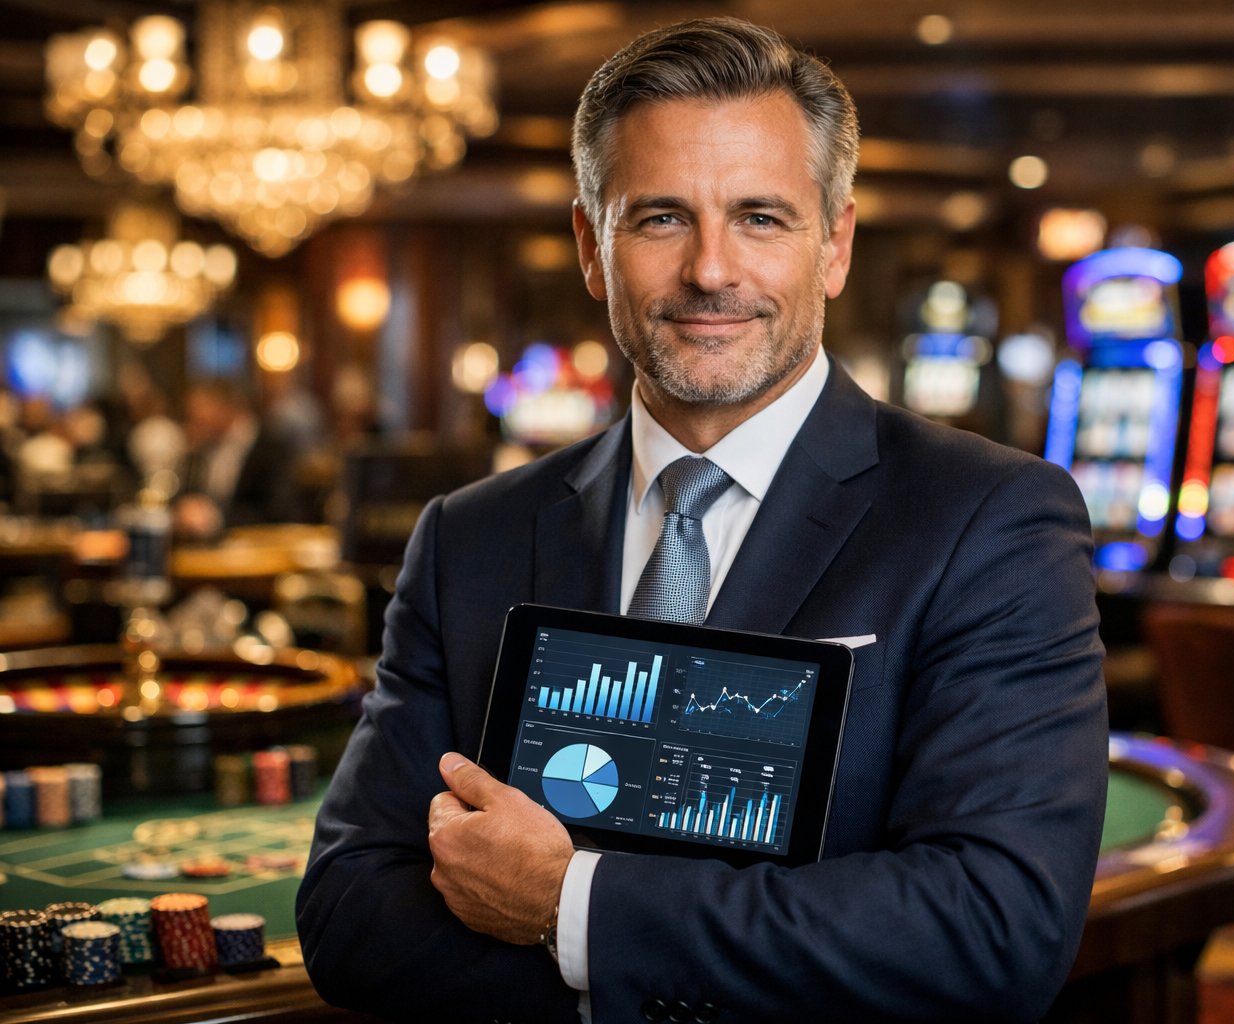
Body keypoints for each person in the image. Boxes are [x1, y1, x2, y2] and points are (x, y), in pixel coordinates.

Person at [298, 17, 1107, 1023]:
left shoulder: (989, 518)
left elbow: (992, 928)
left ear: (834, 245)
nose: (711, 270)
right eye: (660, 219)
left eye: (761, 217)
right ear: (592, 250)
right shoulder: (469, 537)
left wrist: (569, 908)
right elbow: (349, 912)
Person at [173, 379, 298, 539]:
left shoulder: (271, 448)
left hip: (254, 545)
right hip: (202, 547)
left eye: (200, 413)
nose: (194, 421)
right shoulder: (202, 448)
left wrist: (217, 519)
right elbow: (187, 495)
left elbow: (277, 512)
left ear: (226, 408)